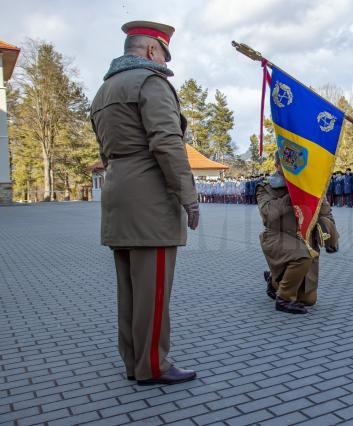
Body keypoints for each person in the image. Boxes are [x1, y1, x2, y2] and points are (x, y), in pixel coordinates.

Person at [90, 21, 199, 385]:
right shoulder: (151, 83)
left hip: (118, 193)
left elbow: (107, 151)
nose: (165, 62)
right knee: (152, 293)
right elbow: (167, 143)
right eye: (165, 55)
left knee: (130, 291)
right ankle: (153, 366)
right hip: (150, 199)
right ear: (153, 50)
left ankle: (133, 361)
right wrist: (189, 197)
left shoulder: (104, 90)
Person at [257, 154, 338, 314]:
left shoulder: (311, 187)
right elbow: (268, 214)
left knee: (308, 300)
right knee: (303, 255)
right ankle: (284, 299)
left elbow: (325, 213)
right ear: (277, 166)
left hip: (306, 238)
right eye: (285, 164)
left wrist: (331, 238)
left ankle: (274, 281)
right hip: (277, 236)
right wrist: (292, 195)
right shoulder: (265, 186)